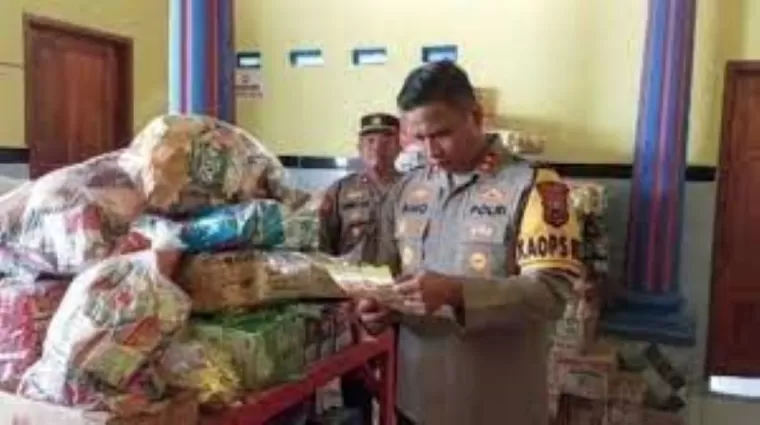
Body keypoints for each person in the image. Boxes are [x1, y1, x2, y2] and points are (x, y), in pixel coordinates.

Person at [358, 61, 584, 425]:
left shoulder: (533, 188)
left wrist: (455, 293)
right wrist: (378, 309)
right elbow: (388, 279)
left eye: (442, 133)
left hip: (497, 406)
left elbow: (549, 295)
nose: (431, 150)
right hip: (414, 401)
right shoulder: (407, 189)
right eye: (419, 137)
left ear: (475, 116)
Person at [318, 112, 402, 424]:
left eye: (385, 139)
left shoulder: (415, 190)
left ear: (400, 144)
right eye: (369, 140)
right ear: (358, 146)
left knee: (400, 390)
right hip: (354, 308)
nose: (377, 148)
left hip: (400, 308)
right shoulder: (339, 191)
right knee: (356, 392)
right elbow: (323, 250)